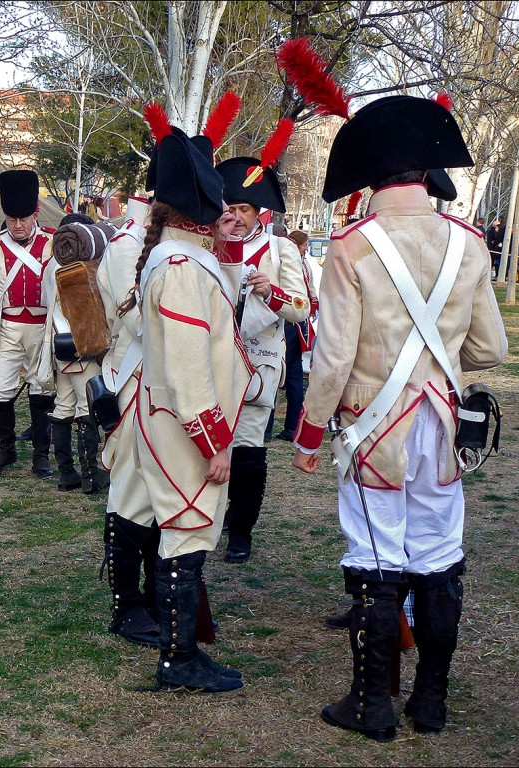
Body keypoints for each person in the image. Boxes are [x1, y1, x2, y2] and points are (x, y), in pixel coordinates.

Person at [290, 94, 507, 741]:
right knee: (439, 559)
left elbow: (330, 361)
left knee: (378, 559)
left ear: (372, 172)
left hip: (373, 433)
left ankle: (371, 705)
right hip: (442, 432)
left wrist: (307, 435)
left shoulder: (352, 247)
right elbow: (489, 348)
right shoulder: (468, 243)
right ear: (422, 171)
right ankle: (430, 703)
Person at [125, 109, 253, 692]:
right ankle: (178, 660)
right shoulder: (178, 267)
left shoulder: (181, 258)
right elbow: (186, 368)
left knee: (187, 531)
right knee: (187, 530)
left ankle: (182, 654)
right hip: (185, 425)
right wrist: (215, 439)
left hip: (174, 418)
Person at [215, 130, 310, 564]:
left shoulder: (280, 248)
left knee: (249, 448)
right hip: (214, 356)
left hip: (259, 360)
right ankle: (212, 519)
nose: (235, 216)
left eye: (243, 209)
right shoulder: (208, 245)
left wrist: (270, 291)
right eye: (230, 208)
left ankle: (241, 530)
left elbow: (301, 308)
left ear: (258, 212)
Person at [97, 195, 161, 647]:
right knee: (131, 487)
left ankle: (160, 592)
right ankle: (127, 604)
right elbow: (136, 319)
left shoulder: (162, 243)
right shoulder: (126, 245)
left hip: (166, 378)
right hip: (135, 374)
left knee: (160, 488)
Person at [0, 170, 56, 478]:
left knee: (41, 387)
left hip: (43, 329)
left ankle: (41, 454)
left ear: (36, 213)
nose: (17, 226)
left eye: (24, 219)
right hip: (7, 328)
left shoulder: (53, 243)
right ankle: (7, 448)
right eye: (12, 219)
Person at [38, 213, 113, 494]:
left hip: (60, 343)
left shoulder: (50, 265)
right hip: (82, 343)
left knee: (63, 406)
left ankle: (66, 474)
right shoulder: (81, 266)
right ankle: (90, 476)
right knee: (86, 408)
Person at [272, 230, 319, 442]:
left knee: (281, 375)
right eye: (304, 246)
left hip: (288, 324)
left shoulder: (297, 263)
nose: (305, 250)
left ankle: (278, 428)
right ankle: (291, 426)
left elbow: (307, 295)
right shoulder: (302, 264)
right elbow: (311, 294)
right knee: (292, 377)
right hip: (294, 323)